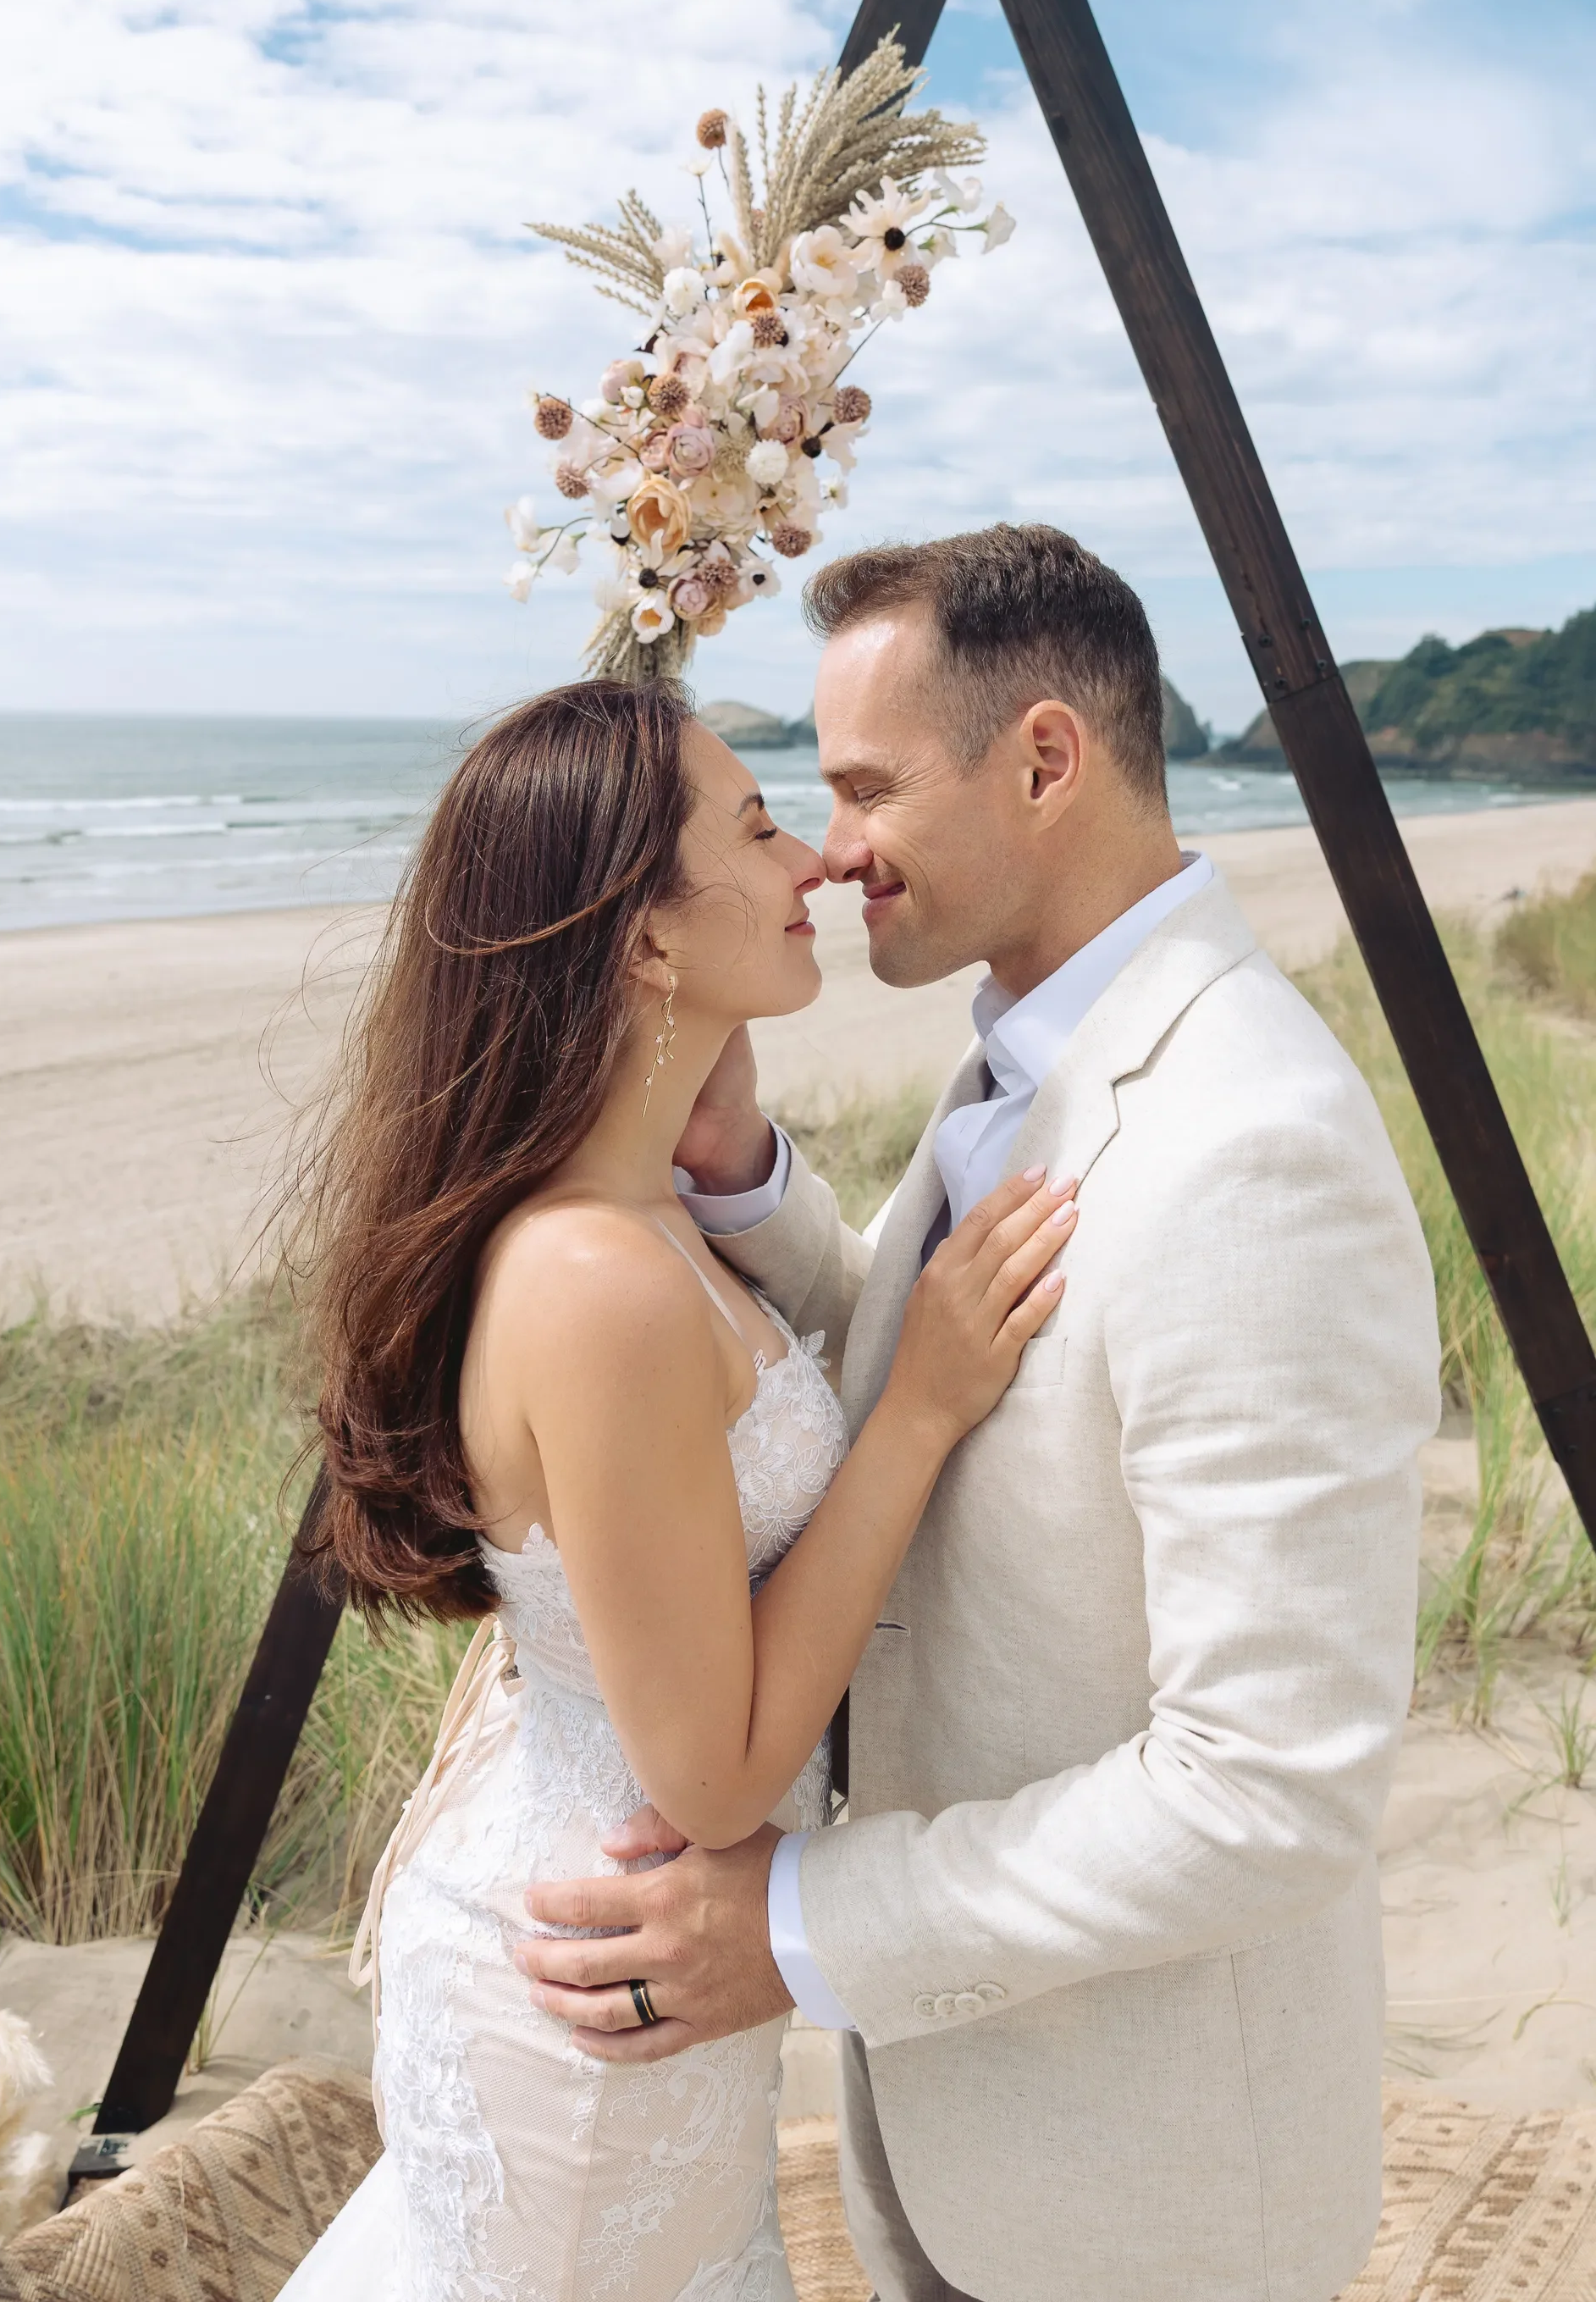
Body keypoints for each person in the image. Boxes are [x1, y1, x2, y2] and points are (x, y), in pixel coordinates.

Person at [516, 523, 1444, 2302]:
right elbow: (983, 1360)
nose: (834, 846)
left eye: (865, 786)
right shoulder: (1037, 1038)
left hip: (1147, 2205)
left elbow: (1268, 1791)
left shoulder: (1250, 1148)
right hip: (961, 2138)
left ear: (1041, 761)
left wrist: (796, 1927)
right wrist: (745, 1193)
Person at [275, 677, 1076, 2302]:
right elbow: (712, 1778)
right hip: (589, 1987)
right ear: (642, 940)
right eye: (762, 825)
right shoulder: (597, 1280)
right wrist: (917, 1411)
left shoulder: (645, 1223)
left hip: (637, 1968)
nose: (816, 866)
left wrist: (727, 1141)